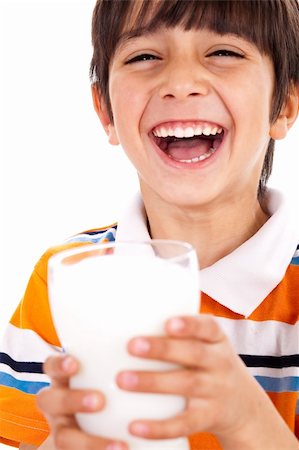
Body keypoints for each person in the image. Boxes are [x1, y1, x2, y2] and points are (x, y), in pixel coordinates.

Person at [1, 0, 299, 449]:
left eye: (223, 53)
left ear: (285, 104)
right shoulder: (66, 278)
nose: (180, 83)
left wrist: (246, 420)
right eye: (144, 57)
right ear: (105, 111)